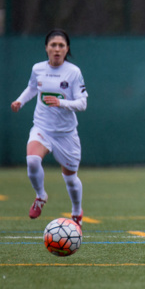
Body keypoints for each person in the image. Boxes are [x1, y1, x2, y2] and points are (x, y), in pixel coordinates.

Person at [11, 29, 88, 228]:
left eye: (61, 45)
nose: (57, 49)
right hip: (42, 128)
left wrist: (61, 103)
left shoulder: (73, 72)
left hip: (66, 134)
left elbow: (82, 104)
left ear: (67, 49)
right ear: (46, 48)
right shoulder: (37, 68)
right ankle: (40, 196)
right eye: (53, 45)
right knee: (33, 160)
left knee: (70, 179)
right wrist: (20, 101)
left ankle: (77, 212)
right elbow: (32, 87)